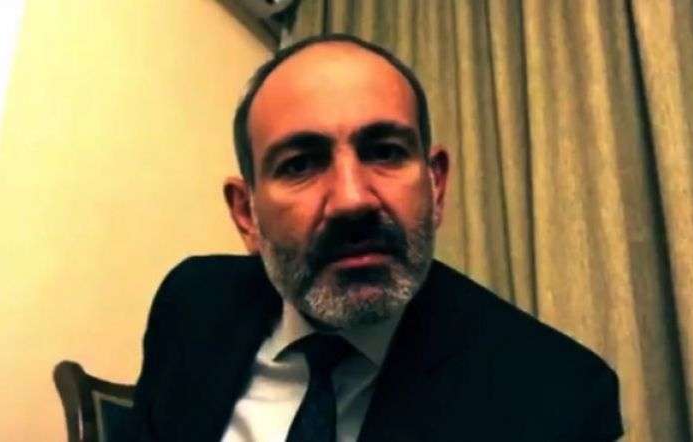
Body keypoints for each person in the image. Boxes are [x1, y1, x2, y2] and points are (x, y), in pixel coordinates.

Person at [130, 34, 623, 441]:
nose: (352, 200)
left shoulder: (556, 397)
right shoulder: (192, 306)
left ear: (435, 186)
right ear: (246, 215)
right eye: (300, 164)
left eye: (385, 152)